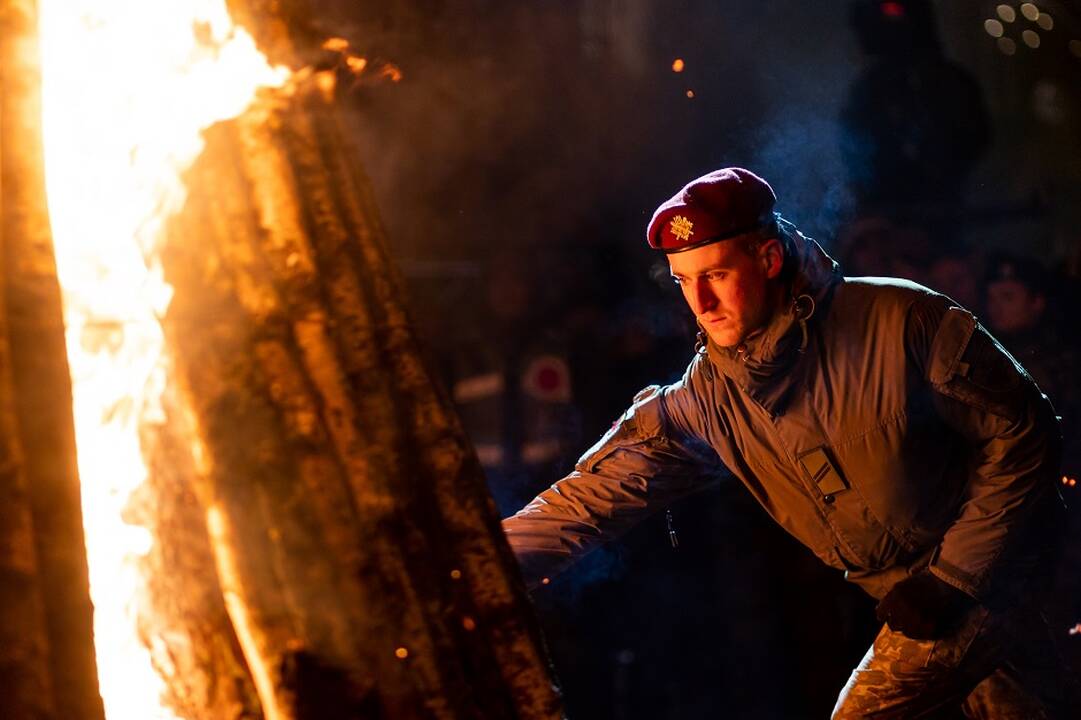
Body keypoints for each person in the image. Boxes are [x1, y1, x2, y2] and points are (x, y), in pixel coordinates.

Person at [502, 168, 1072, 718]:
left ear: (769, 259)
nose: (700, 302)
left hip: (997, 568)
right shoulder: (709, 398)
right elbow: (591, 497)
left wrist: (952, 578)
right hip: (918, 596)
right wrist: (480, 560)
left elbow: (1025, 434)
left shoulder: (903, 320)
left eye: (717, 274)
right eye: (683, 281)